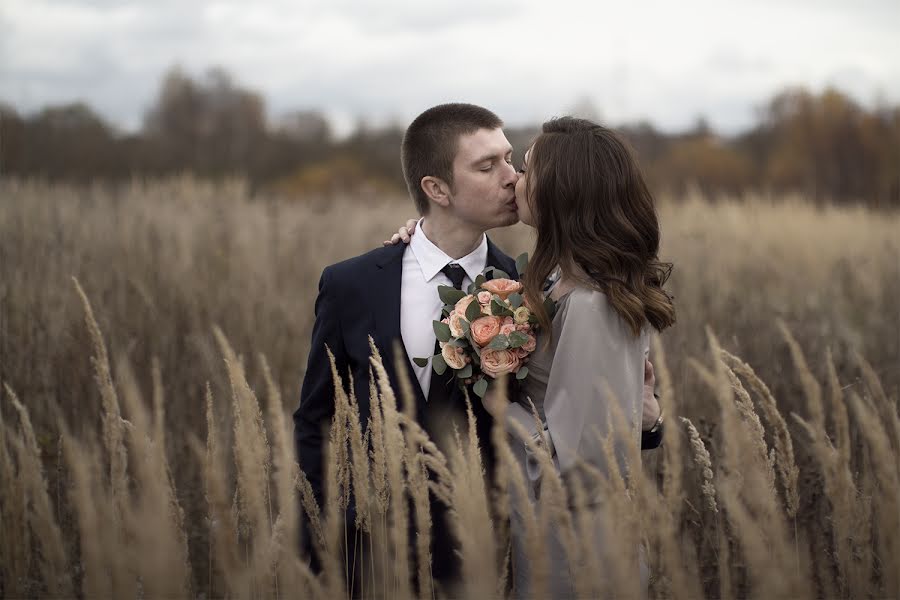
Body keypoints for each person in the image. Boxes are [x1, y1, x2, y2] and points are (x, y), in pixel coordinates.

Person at [387, 116, 673, 597]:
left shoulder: (591, 303)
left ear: (562, 191)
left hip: (577, 546)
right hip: (545, 525)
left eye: (525, 167)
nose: (514, 179)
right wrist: (419, 238)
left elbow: (583, 465)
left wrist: (497, 400)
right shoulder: (555, 283)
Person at [294, 103, 520, 594]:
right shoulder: (350, 284)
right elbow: (316, 420)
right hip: (372, 553)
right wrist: (317, 541)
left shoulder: (527, 287)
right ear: (436, 189)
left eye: (510, 158)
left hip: (486, 555)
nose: (512, 177)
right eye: (488, 166)